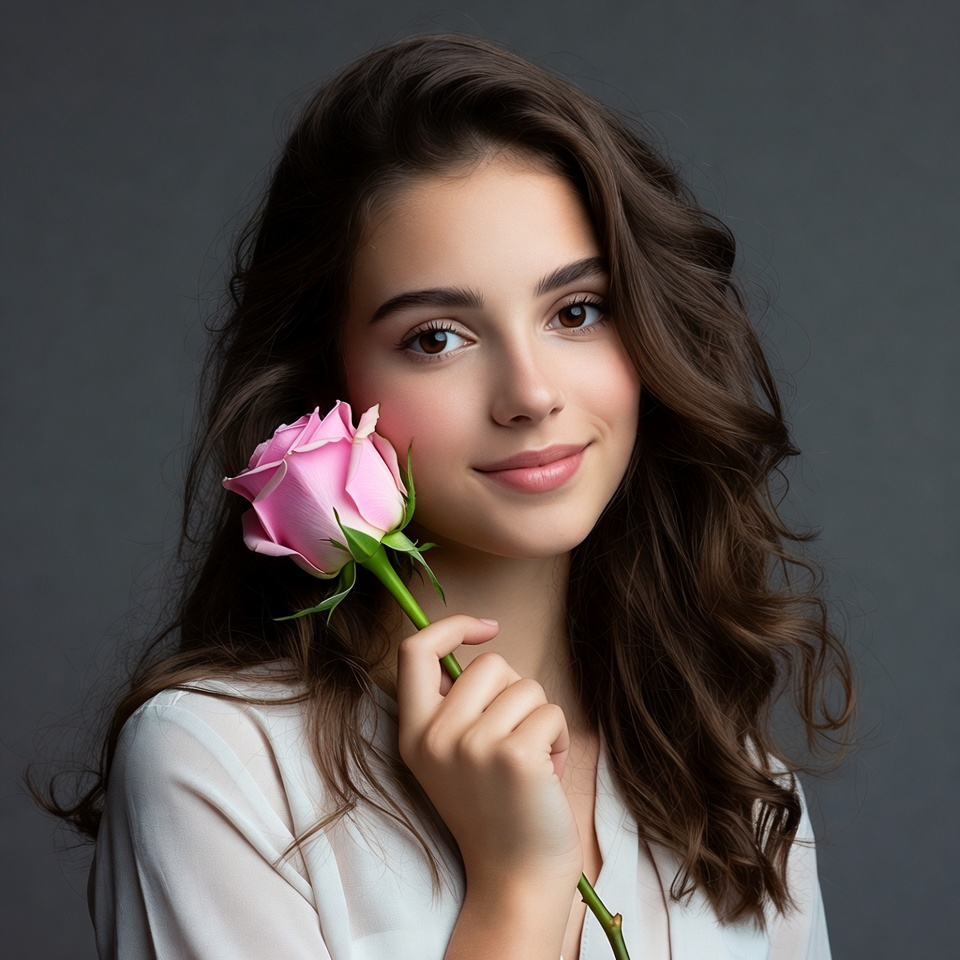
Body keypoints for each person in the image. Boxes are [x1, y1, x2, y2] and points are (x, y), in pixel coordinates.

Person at [39, 33, 854, 960]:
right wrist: (517, 888)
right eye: (437, 337)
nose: (531, 393)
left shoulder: (736, 784)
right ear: (327, 385)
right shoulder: (218, 764)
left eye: (575, 311)